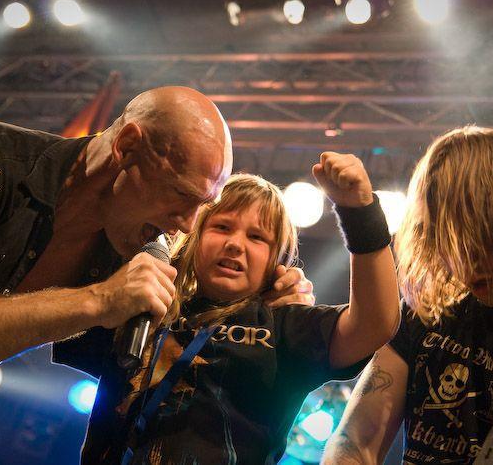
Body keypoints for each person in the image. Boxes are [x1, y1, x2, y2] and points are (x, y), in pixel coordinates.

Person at [0, 86, 244, 464]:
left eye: (202, 205)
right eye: (181, 193)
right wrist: (98, 300)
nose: (187, 224)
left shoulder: (135, 240)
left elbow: (207, 331)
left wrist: (277, 302)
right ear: (127, 147)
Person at [54, 151, 401, 464]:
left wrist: (359, 212)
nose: (235, 244)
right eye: (222, 227)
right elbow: (51, 307)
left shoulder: (283, 324)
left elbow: (375, 324)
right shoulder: (141, 304)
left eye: (257, 237)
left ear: (276, 261)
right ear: (194, 236)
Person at [322, 126, 493, 465]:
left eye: (480, 239)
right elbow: (356, 442)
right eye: (447, 240)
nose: (465, 264)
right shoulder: (430, 306)